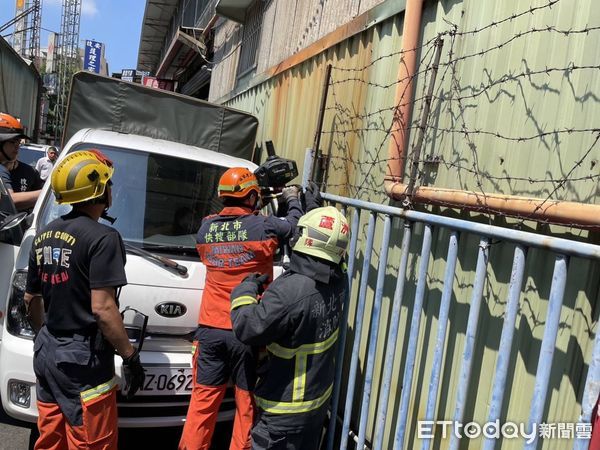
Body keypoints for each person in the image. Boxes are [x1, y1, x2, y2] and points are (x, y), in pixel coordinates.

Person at [23, 149, 145, 450]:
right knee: (93, 441)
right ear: (100, 189)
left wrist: (44, 337)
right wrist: (129, 356)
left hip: (48, 349)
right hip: (83, 360)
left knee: (51, 437)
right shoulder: (104, 238)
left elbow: (30, 299)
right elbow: (103, 309)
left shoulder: (45, 234)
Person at [179, 167, 304, 450]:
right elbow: (293, 225)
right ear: (250, 195)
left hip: (209, 330)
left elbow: (232, 231)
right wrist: (292, 198)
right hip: (247, 330)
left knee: (201, 405)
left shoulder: (204, 228)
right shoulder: (264, 227)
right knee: (245, 404)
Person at [230, 206, 350, 450]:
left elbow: (247, 327)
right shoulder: (339, 281)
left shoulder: (290, 292)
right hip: (316, 405)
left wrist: (245, 290)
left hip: (282, 414)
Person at [0, 113, 43, 211]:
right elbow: (9, 201)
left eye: (19, 142)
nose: (17, 146)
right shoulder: (1, 170)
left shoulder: (29, 172)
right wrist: (49, 192)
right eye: (13, 141)